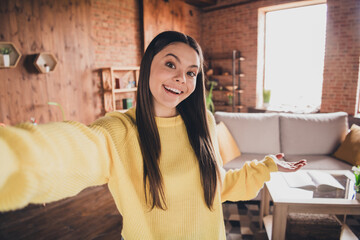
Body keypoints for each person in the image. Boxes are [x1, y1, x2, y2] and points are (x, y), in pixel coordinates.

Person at [0, 31, 306, 239]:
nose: (180, 78)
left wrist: (265, 167)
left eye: (191, 72)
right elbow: (79, 150)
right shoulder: (119, 130)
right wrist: (20, 154)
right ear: (148, 67)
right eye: (170, 63)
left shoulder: (204, 124)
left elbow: (217, 188)